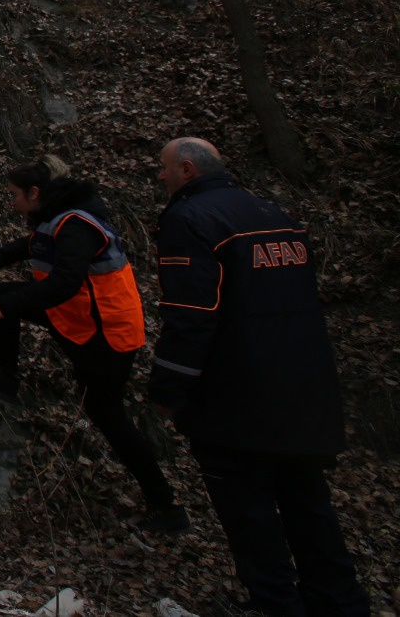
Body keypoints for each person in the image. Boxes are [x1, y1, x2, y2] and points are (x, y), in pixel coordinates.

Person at [150, 138, 370, 617]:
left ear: (187, 169)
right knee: (309, 506)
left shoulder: (190, 220)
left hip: (239, 397)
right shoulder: (275, 214)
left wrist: (168, 390)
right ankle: (341, 603)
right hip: (303, 388)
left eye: (164, 168)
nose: (160, 176)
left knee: (250, 516)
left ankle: (277, 605)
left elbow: (190, 316)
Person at [0, 156, 189, 533]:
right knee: (4, 292)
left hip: (106, 335)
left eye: (15, 195)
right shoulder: (60, 215)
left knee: (108, 415)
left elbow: (65, 282)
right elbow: (34, 244)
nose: (12, 202)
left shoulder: (76, 226)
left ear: (35, 192)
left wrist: (7, 307)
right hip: (78, 318)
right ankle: (6, 377)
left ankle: (166, 506)